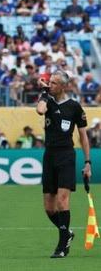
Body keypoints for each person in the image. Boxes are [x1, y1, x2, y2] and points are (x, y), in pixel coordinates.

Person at [36, 70, 91, 258]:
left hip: (66, 155)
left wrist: (88, 162)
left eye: (54, 83)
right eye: (50, 82)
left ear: (63, 86)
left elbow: (83, 136)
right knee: (49, 208)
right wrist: (44, 92)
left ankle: (62, 247)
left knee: (62, 201)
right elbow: (40, 110)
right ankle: (67, 233)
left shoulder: (74, 107)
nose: (50, 85)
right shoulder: (47, 101)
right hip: (49, 155)